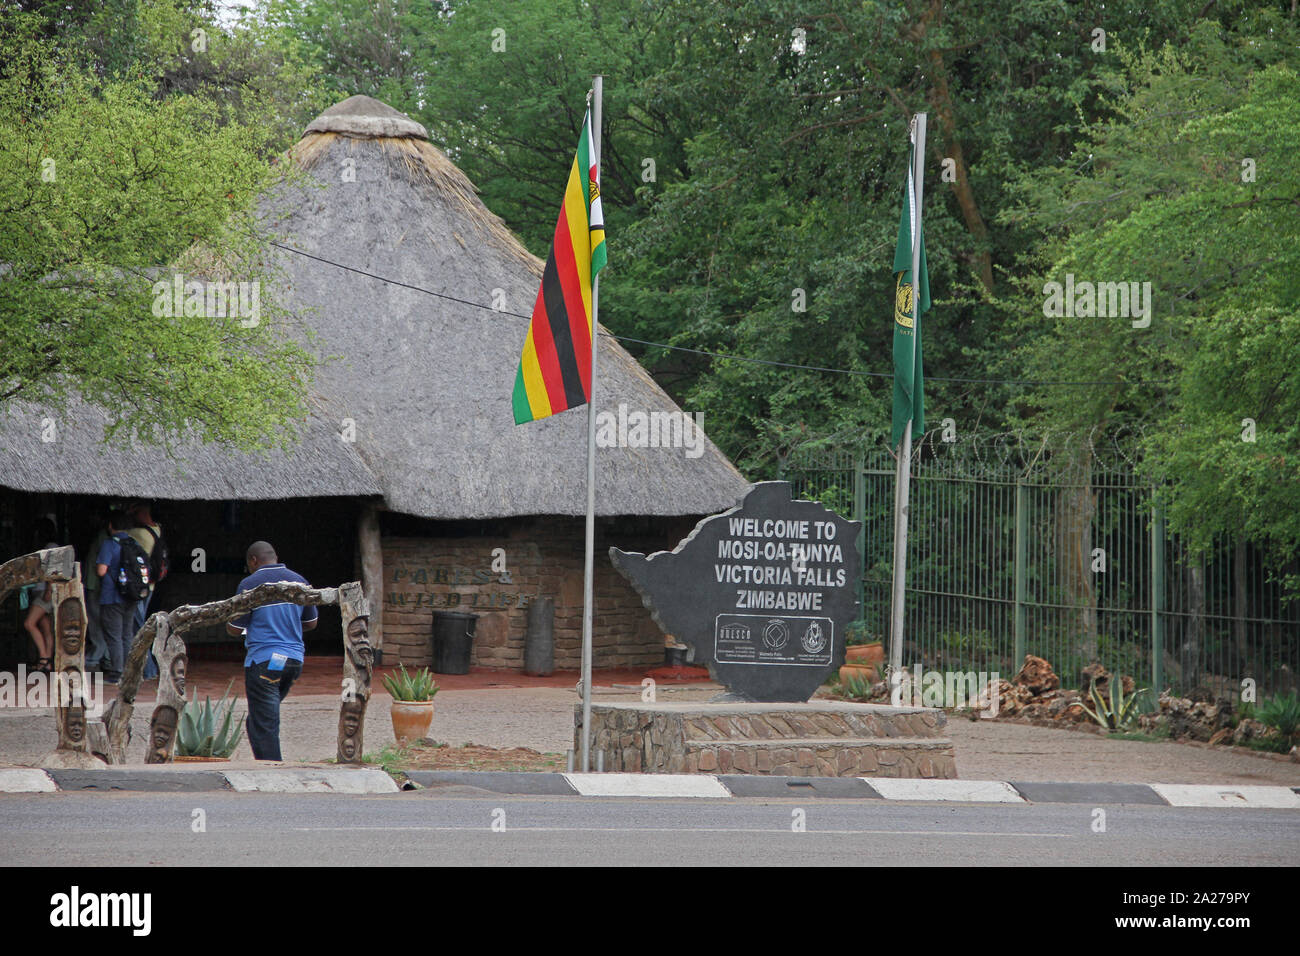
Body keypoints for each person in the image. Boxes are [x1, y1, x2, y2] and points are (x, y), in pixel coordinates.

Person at [225, 541, 317, 761]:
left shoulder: (250, 584)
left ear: (253, 561)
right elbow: (311, 622)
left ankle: (272, 770)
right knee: (260, 719)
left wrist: (229, 621)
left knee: (264, 723)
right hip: (293, 662)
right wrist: (288, 624)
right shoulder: (299, 580)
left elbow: (235, 629)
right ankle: (266, 763)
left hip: (265, 662)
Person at [95, 510, 142, 685]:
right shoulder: (133, 542)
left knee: (114, 635)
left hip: (112, 595)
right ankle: (128, 672)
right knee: (127, 634)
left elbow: (101, 570)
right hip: (131, 595)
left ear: (110, 525)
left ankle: (117, 673)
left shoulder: (109, 544)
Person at [126, 502, 163, 679]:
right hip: (150, 586)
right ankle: (148, 670)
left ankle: (148, 670)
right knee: (140, 625)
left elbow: (118, 534)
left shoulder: (137, 533)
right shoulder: (157, 530)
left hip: (137, 588)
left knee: (139, 628)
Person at [22, 518, 60, 672]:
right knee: (46, 628)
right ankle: (46, 662)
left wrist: (49, 589)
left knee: (29, 623)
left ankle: (44, 657)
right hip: (43, 591)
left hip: (45, 592)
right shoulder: (50, 547)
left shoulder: (51, 548)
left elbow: (53, 570)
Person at [82, 511, 111, 672]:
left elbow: (101, 568)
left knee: (97, 622)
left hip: (96, 585)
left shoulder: (103, 538)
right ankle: (105, 657)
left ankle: (96, 657)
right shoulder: (106, 538)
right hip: (100, 586)